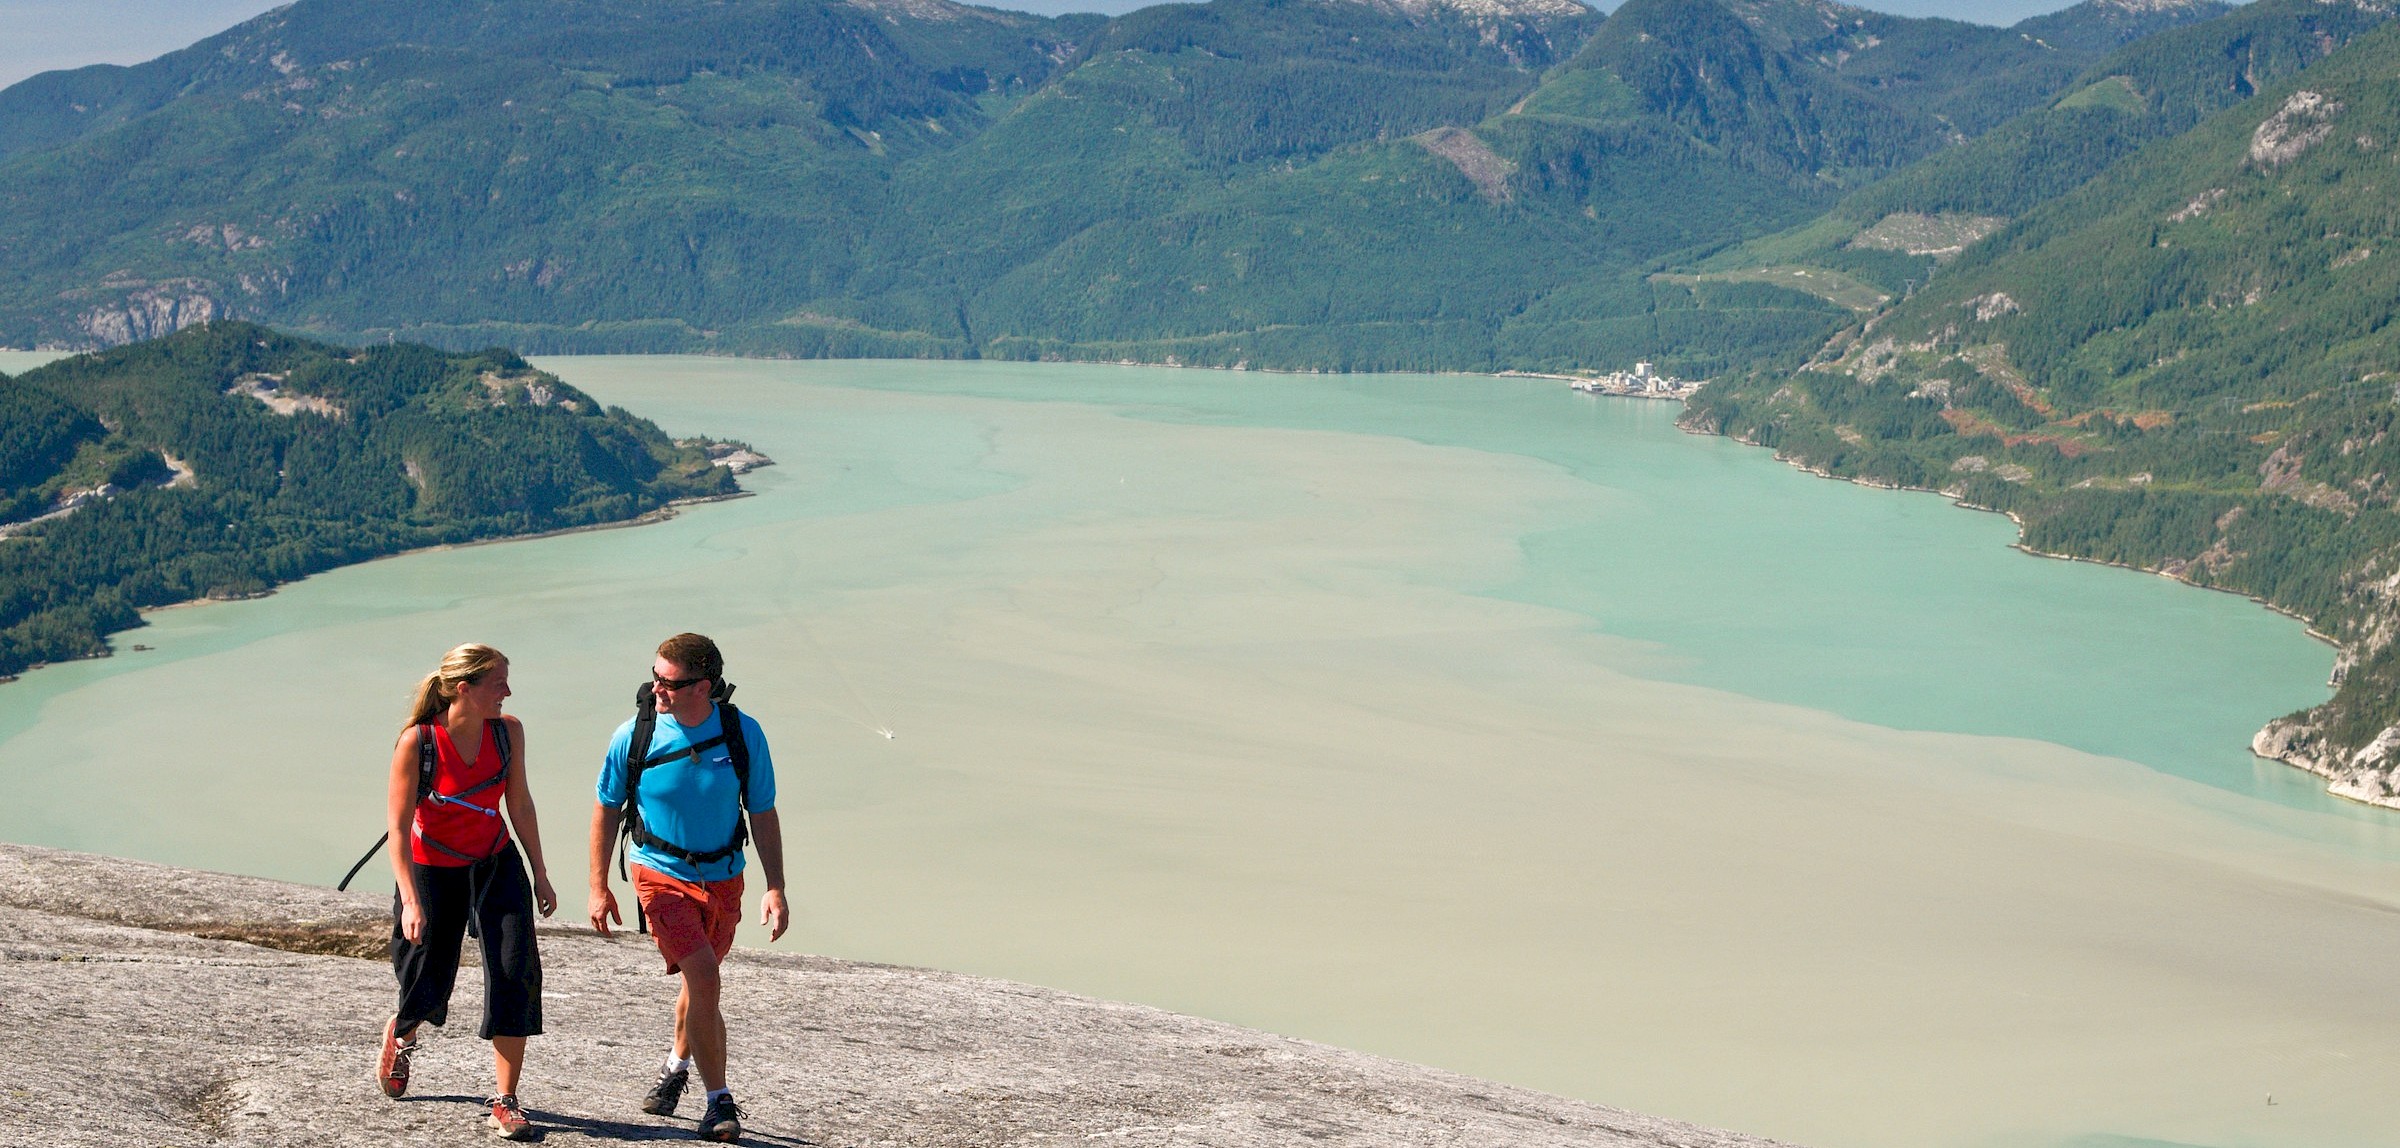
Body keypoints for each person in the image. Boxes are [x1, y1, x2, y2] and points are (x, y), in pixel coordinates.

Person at [588, 633, 787, 1144]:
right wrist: (598, 886)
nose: (656, 688)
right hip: (658, 874)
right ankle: (717, 1101)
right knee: (703, 974)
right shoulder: (634, 735)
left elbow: (761, 811)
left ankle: (674, 1068)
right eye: (654, 676)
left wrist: (776, 886)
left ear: (703, 686)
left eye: (668, 682)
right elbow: (607, 807)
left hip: (723, 877)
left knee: (699, 982)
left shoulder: (744, 734)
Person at [374, 643, 558, 1141]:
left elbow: (518, 801)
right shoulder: (419, 742)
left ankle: (505, 1100)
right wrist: (411, 900)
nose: (508, 691)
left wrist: (540, 871)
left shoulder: (508, 733)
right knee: (431, 973)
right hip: (432, 868)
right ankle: (404, 1031)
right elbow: (397, 827)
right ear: (465, 689)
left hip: (495, 861)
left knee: (514, 967)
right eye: (498, 682)